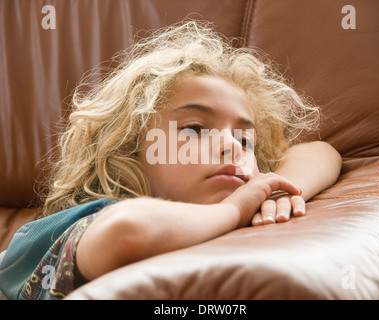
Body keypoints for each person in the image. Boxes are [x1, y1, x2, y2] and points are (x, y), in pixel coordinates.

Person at [0, 21, 341, 300]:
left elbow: (322, 153)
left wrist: (276, 189)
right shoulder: (63, 227)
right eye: (194, 129)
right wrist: (233, 210)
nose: (231, 147)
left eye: (244, 140)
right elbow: (126, 230)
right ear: (129, 149)